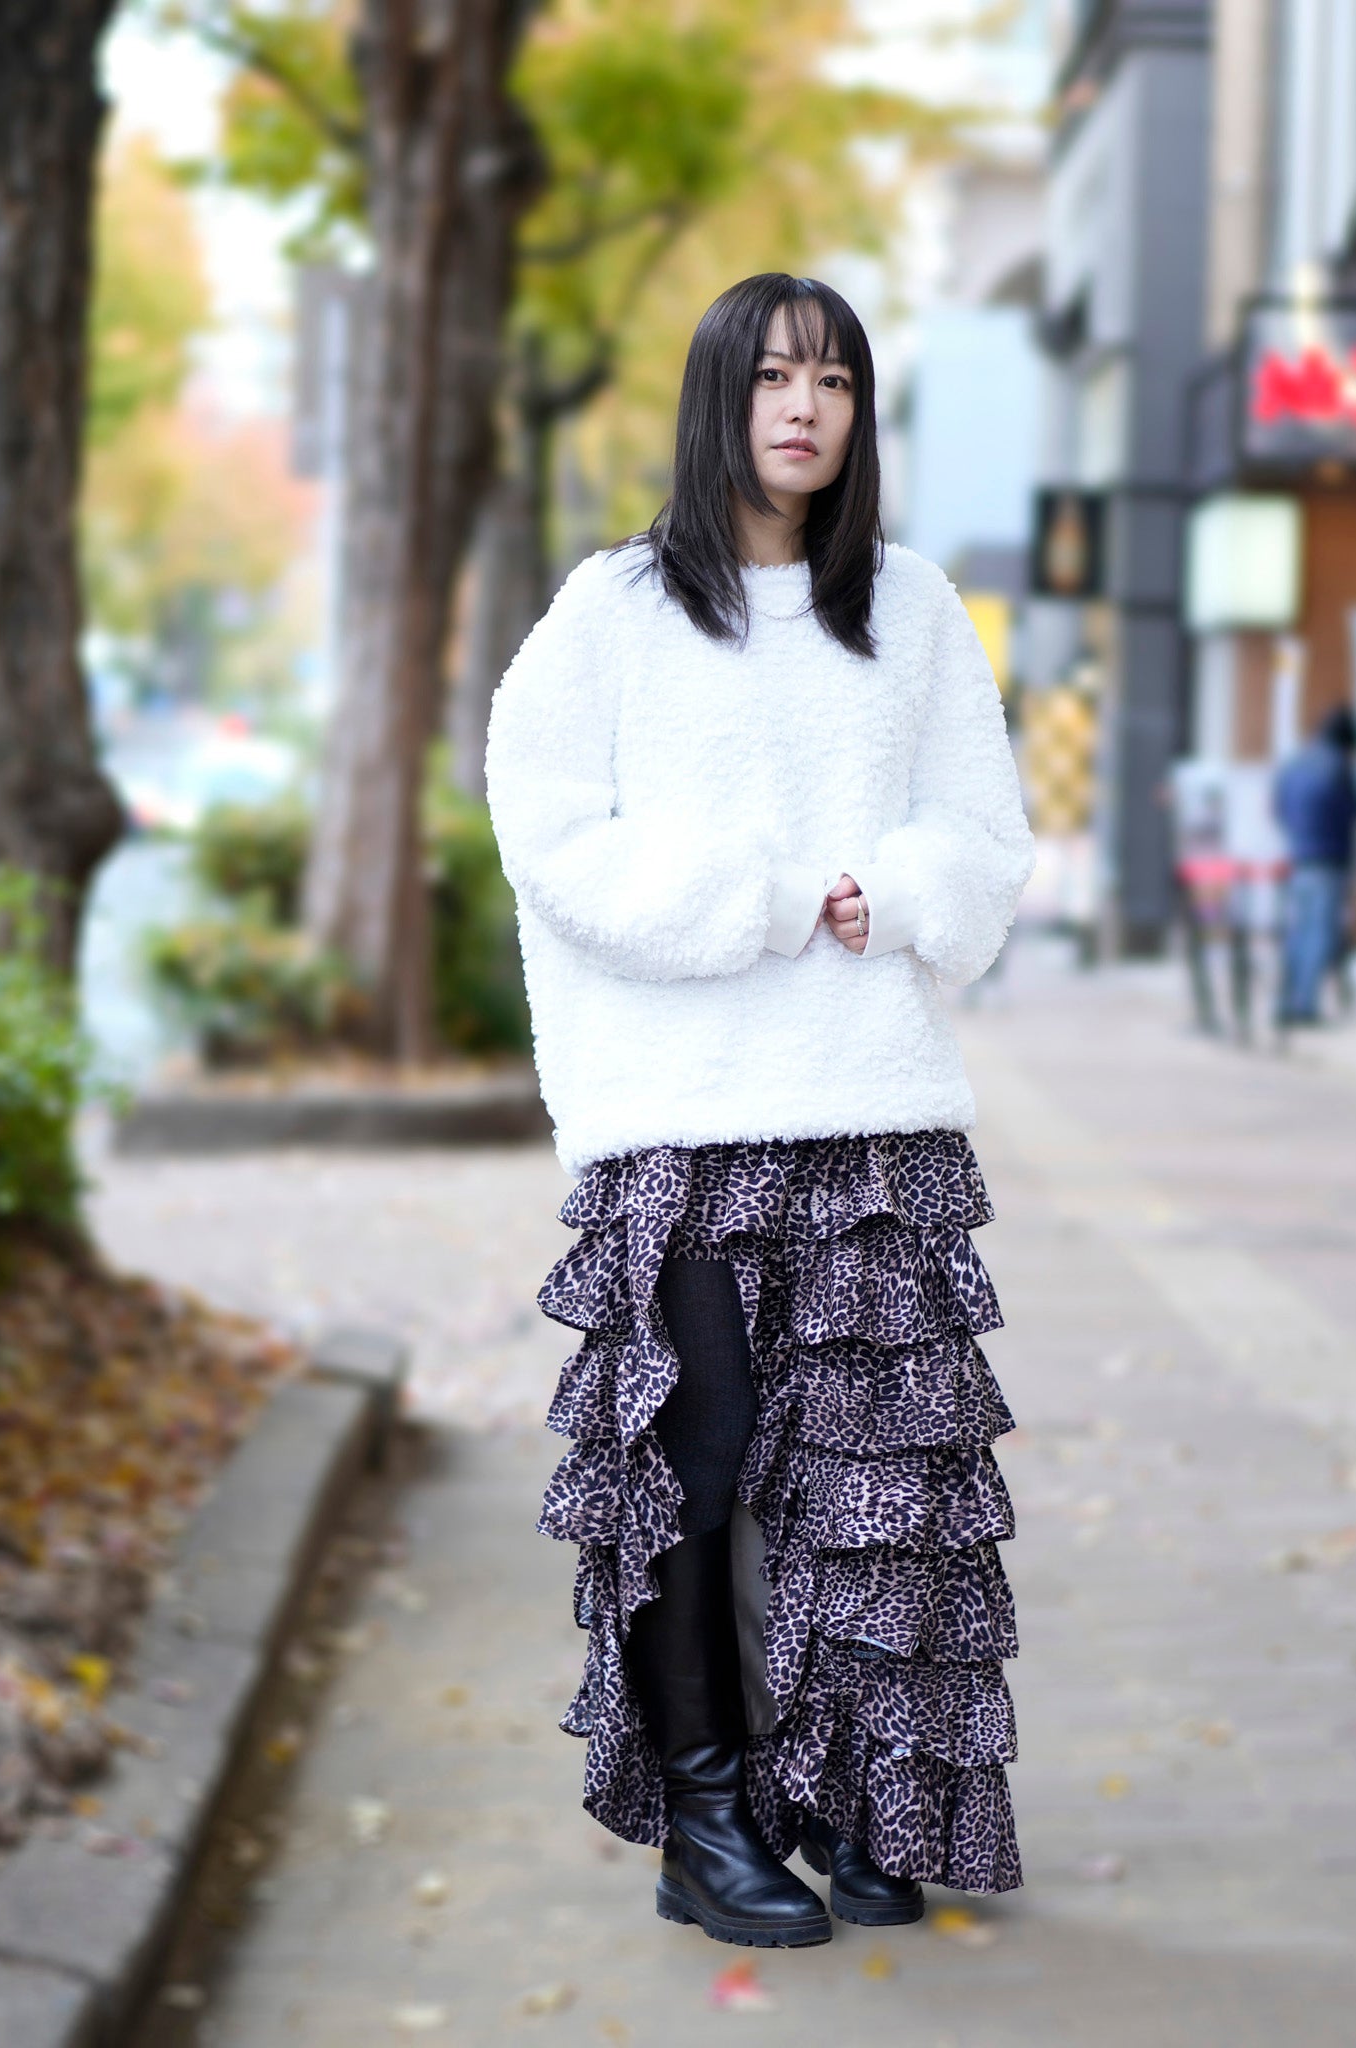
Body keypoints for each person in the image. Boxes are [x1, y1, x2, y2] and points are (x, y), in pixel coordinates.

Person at [485, 274, 1034, 1949]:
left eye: (836, 380)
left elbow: (981, 833)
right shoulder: (615, 610)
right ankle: (705, 1817)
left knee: (873, 1476)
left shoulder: (913, 610)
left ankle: (855, 1796)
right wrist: (762, 894)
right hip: (686, 1110)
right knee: (698, 1465)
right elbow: (548, 828)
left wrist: (899, 884)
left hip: (869, 1109)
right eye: (774, 374)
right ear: (718, 394)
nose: (803, 406)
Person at [1272, 704, 1356, 1026]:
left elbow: (1278, 807)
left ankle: (1285, 1001)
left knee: (1297, 932)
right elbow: (1355, 813)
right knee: (1319, 934)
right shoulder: (1339, 767)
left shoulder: (1295, 762)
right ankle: (1304, 1006)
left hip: (1298, 859)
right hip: (1329, 860)